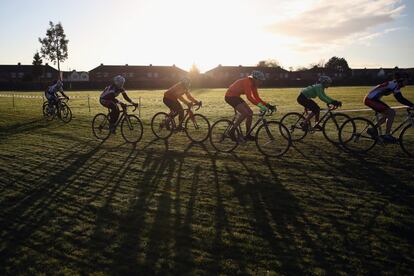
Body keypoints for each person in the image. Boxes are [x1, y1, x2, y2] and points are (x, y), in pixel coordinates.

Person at [224, 70, 276, 141]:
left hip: (236, 96)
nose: (261, 82)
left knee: (250, 113)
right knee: (245, 113)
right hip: (230, 97)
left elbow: (257, 98)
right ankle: (232, 131)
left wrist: (268, 105)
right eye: (260, 80)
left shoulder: (254, 85)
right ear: (255, 79)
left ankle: (248, 134)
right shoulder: (247, 82)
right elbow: (249, 98)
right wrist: (261, 106)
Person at [364, 72, 413, 143]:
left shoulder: (395, 85)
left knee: (388, 115)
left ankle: (372, 129)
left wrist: (411, 105)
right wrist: (412, 105)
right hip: (370, 100)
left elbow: (401, 99)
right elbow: (400, 99)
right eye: (406, 80)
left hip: (372, 99)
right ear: (401, 80)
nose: (407, 82)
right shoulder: (394, 85)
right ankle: (387, 135)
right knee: (391, 113)